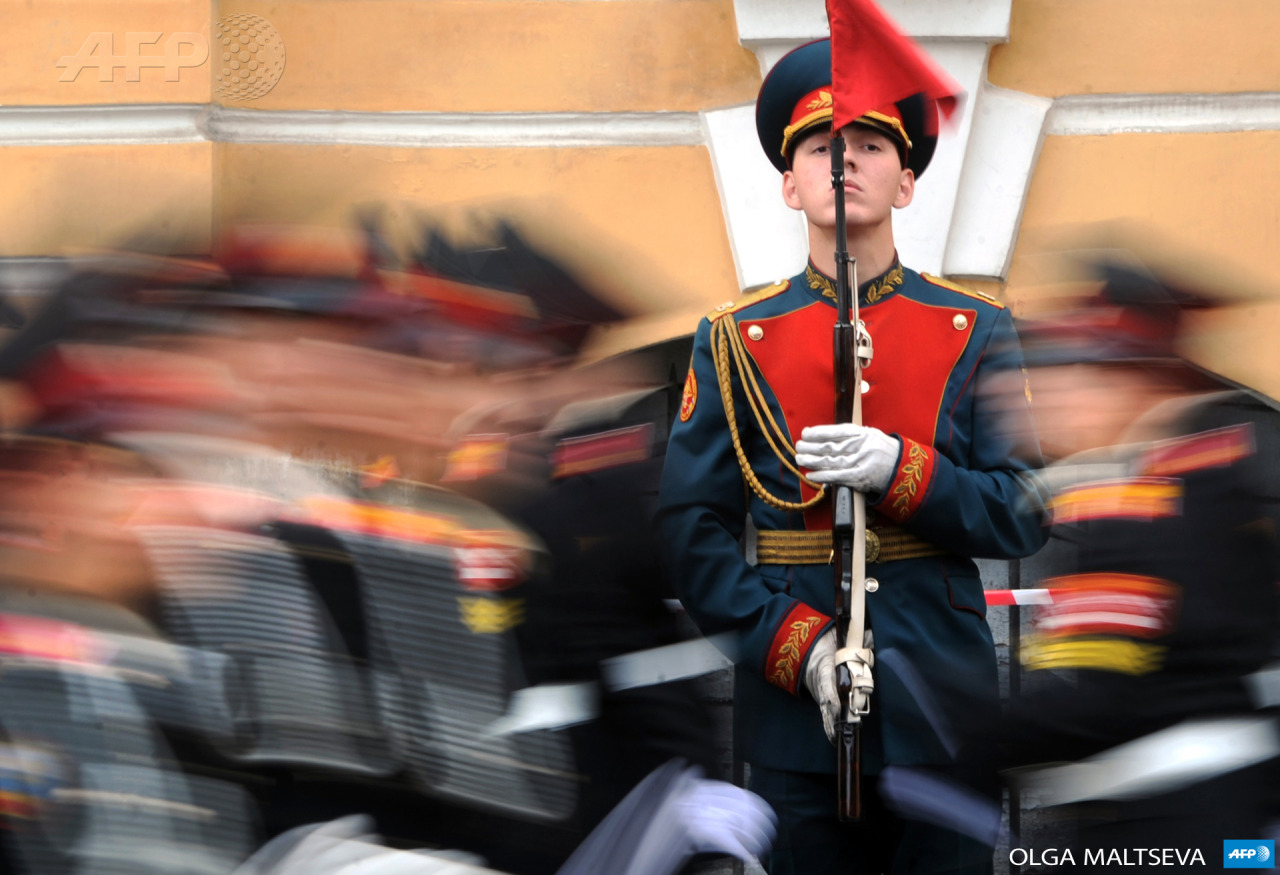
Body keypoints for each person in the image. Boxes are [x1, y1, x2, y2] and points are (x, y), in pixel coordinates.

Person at [655, 38, 1048, 875]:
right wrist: (800, 649)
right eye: (821, 148)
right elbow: (692, 533)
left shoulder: (974, 330)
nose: (845, 163)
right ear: (789, 182)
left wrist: (901, 470)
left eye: (870, 147)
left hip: (940, 703)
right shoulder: (732, 341)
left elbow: (1023, 509)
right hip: (795, 710)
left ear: (906, 182)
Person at [994, 253, 1280, 862]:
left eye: (1063, 377)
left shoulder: (1143, 501)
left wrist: (959, 739)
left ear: (1127, 381)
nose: (1041, 402)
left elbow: (1101, 700)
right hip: (1217, 814)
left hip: (1178, 823)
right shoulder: (1212, 472)